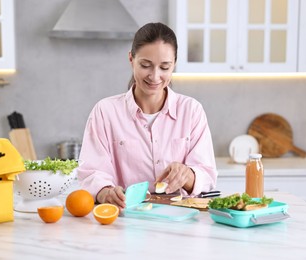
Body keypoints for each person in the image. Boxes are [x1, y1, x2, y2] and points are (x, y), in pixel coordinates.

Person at [77, 22, 217, 210]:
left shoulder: (191, 111)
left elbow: (207, 175)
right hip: (125, 222)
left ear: (174, 64)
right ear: (131, 59)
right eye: (145, 65)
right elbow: (92, 173)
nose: (155, 76)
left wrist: (188, 175)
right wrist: (106, 192)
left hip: (180, 220)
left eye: (165, 67)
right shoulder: (105, 112)